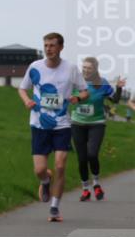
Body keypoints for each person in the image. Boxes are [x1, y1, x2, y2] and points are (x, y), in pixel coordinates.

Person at [18, 33, 89, 222]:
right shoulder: (35, 67)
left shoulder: (71, 69)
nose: (48, 48)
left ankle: (54, 208)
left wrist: (77, 98)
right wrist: (27, 101)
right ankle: (45, 180)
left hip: (62, 124)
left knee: (60, 165)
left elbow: (85, 91)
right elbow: (22, 88)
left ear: (61, 47)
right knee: (40, 170)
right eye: (46, 45)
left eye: (52, 45)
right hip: (39, 124)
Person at [71, 58, 126, 201]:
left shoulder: (102, 83)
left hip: (97, 123)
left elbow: (115, 100)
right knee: (82, 158)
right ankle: (85, 189)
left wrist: (119, 88)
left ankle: (96, 183)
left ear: (95, 69)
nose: (85, 70)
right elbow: (65, 96)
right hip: (77, 123)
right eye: (83, 67)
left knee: (92, 154)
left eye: (89, 68)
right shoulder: (76, 81)